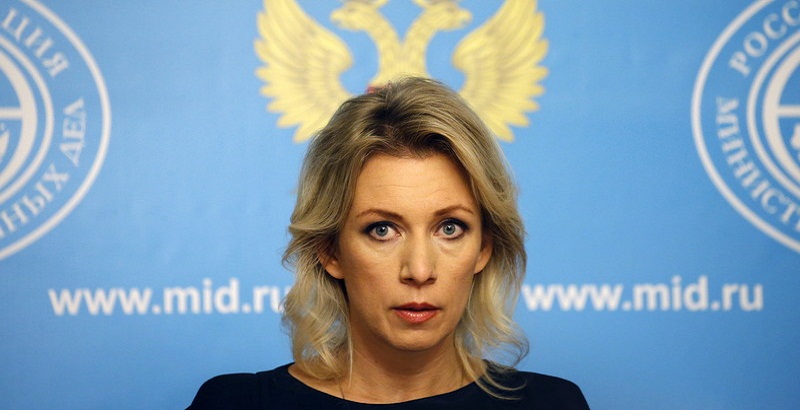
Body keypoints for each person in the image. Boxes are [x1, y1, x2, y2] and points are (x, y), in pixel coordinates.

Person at [187, 77, 589, 409]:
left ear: (485, 247)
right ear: (330, 250)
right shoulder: (235, 403)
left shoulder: (553, 403)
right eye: (382, 229)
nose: (420, 270)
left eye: (450, 228)